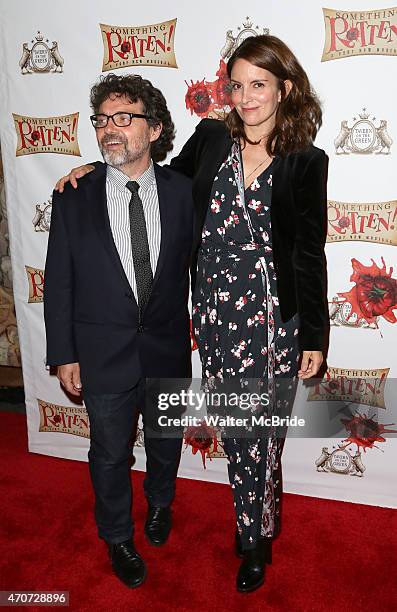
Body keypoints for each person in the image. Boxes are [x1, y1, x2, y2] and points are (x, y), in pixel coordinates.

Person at [55, 35, 329, 593]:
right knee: (236, 430)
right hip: (215, 320)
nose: (246, 97)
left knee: (262, 434)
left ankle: (255, 539)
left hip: (273, 320)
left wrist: (314, 335)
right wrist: (90, 165)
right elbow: (149, 176)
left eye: (260, 84)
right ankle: (251, 521)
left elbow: (308, 251)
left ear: (286, 88)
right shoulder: (209, 139)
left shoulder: (306, 160)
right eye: (237, 85)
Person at [44, 74, 193, 589]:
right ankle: (116, 536)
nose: (110, 129)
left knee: (165, 441)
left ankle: (159, 505)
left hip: (168, 348)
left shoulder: (184, 192)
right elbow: (59, 281)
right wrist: (64, 353)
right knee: (108, 452)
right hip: (102, 351)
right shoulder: (73, 195)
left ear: (153, 129)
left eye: (124, 118)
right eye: (102, 119)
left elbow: (223, 131)